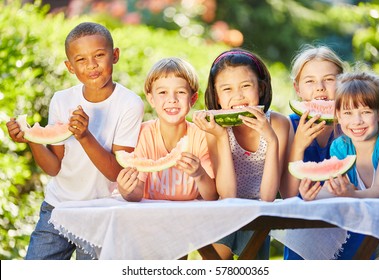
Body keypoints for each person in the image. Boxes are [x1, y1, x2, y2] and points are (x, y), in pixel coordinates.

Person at [6, 22, 144, 260]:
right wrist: (31, 138)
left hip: (101, 213)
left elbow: (116, 173)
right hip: (57, 208)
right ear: (70, 67)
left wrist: (84, 136)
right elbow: (53, 167)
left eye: (99, 55)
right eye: (81, 60)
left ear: (115, 55)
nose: (91, 65)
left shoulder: (130, 104)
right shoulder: (61, 100)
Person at [193, 48, 290, 259]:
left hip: (259, 214)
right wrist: (220, 137)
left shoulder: (279, 124)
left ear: (261, 88)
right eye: (227, 89)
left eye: (246, 86)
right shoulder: (215, 129)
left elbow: (267, 197)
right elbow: (227, 195)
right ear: (217, 97)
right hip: (224, 213)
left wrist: (271, 140)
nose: (238, 96)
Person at [299, 70, 379, 259]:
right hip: (369, 234)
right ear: (338, 116)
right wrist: (312, 196)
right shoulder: (340, 148)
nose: (357, 121)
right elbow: (333, 189)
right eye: (348, 113)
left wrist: (351, 194)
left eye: (365, 112)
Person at [116, 57, 225, 202]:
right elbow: (137, 193)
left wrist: (200, 174)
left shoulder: (201, 137)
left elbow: (212, 196)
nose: (172, 99)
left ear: (192, 99)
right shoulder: (143, 134)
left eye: (180, 92)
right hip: (152, 214)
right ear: (151, 99)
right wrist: (126, 191)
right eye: (162, 93)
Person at [277, 45, 346, 260]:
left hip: (348, 229)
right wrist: (298, 145)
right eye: (310, 81)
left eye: (329, 79)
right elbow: (288, 194)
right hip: (303, 231)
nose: (320, 88)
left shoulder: (354, 124)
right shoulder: (289, 125)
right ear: (297, 88)